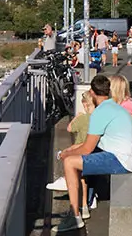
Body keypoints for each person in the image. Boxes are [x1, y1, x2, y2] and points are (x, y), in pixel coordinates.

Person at [52, 74, 132, 232]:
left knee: (70, 163)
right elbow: (90, 144)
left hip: (120, 160)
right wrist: (70, 149)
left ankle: (74, 217)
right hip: (127, 156)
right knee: (78, 156)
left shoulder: (100, 113)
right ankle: (83, 206)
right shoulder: (114, 107)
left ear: (92, 93)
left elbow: (87, 149)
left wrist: (66, 155)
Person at [46, 89, 96, 218]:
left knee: (74, 176)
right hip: (92, 153)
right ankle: (84, 206)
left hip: (80, 151)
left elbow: (69, 128)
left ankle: (74, 209)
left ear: (85, 105)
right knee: (84, 180)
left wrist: (76, 118)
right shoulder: (97, 118)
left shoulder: (83, 118)